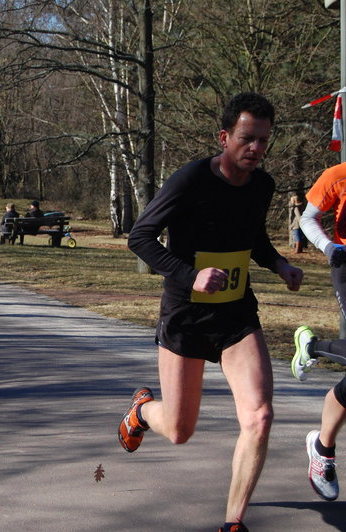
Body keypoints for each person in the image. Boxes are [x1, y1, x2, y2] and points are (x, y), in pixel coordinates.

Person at [120, 92, 303, 532]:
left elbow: (252, 236)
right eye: (247, 139)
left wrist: (279, 264)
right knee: (180, 430)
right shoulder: (189, 181)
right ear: (225, 137)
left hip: (236, 313)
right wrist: (191, 276)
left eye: (263, 140)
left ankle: (233, 523)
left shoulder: (263, 185)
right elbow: (140, 238)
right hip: (186, 312)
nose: (256, 149)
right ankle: (141, 412)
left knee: (260, 416)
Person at [289, 159, 346, 502]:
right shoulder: (337, 175)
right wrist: (329, 248)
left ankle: (322, 449)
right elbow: (308, 218)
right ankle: (310, 347)